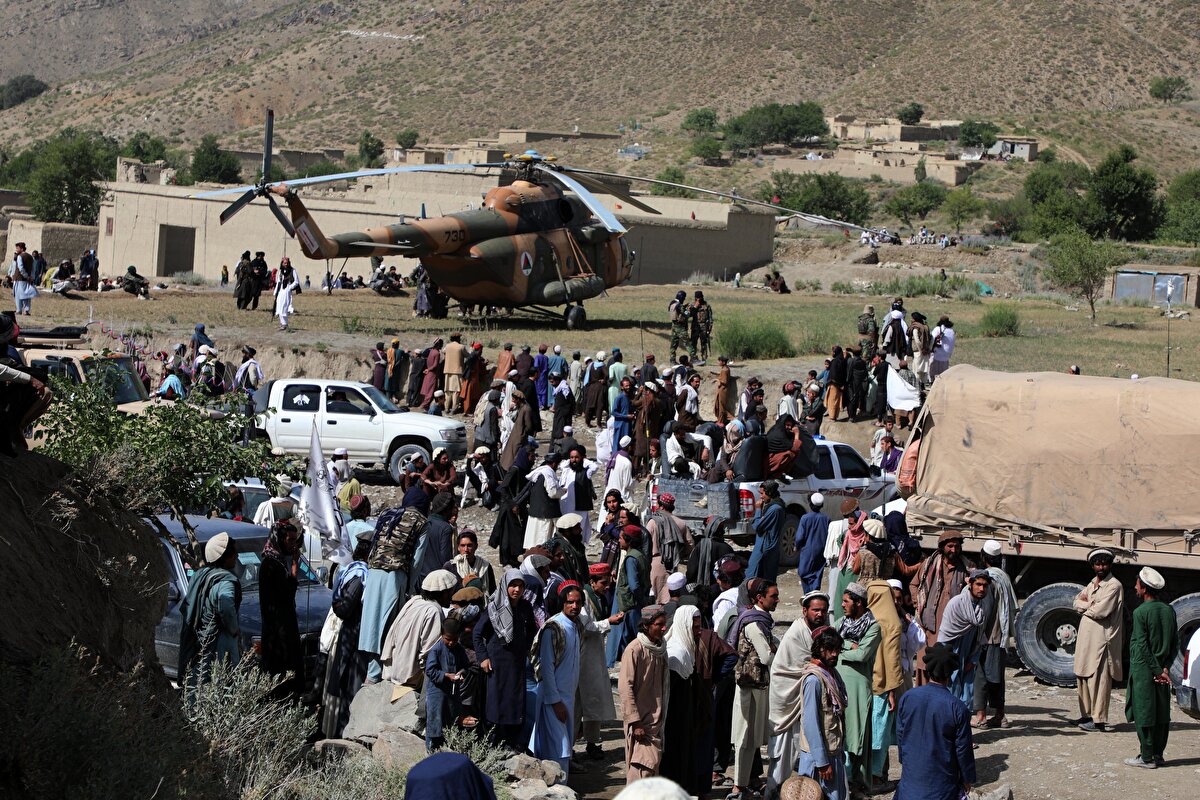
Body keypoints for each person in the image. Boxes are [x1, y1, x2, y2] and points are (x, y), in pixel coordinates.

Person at [766, 591, 830, 798]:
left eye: (823, 610)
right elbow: (800, 667)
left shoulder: (822, 631)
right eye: (816, 610)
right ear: (805, 611)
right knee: (783, 756)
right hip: (788, 701)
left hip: (806, 701)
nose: (820, 614)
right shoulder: (797, 633)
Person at [894, 642, 976, 800]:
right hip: (942, 788)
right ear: (950, 674)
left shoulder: (907, 698)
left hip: (910, 783)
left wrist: (907, 761)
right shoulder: (958, 708)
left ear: (927, 671)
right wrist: (967, 778)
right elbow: (963, 750)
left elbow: (901, 735)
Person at [475, 569, 539, 749]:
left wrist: (526, 648)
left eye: (520, 586)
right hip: (497, 661)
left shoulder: (525, 607)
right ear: (505, 586)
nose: (516, 590)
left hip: (516, 661)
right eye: (513, 585)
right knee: (497, 700)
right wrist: (483, 658)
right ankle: (494, 742)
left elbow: (532, 630)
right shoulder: (494, 607)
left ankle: (513, 742)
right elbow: (478, 633)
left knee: (515, 700)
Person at [321, 524, 373, 738]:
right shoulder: (360, 575)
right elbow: (345, 606)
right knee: (347, 687)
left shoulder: (352, 570)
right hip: (352, 637)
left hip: (350, 636)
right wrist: (336, 604)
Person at [729, 579, 780, 800]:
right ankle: (738, 787)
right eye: (773, 596)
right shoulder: (754, 623)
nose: (777, 600)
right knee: (744, 738)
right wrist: (779, 652)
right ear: (760, 598)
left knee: (750, 739)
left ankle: (743, 783)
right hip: (749, 689)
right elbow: (767, 656)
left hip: (757, 687)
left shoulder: (761, 621)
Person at [1124, 567, 1178, 769]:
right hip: (1161, 672)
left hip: (1145, 671)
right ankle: (1158, 754)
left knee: (1144, 711)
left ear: (1144, 589)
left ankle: (1146, 757)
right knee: (1161, 712)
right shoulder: (1168, 610)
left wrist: (1156, 671)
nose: (1135, 587)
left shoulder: (1140, 612)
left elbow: (1142, 646)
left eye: (1137, 584)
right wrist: (1165, 669)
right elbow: (1175, 644)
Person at [529, 583, 585, 774]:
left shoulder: (575, 626)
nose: (574, 606)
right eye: (570, 602)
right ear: (563, 603)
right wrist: (555, 702)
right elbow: (546, 668)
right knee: (558, 750)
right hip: (554, 701)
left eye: (578, 602)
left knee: (563, 748)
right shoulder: (554, 628)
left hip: (568, 699)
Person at [178, 533, 241, 693]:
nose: (237, 556)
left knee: (198, 685)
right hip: (219, 643)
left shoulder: (200, 575)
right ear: (225, 557)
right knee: (222, 688)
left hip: (199, 639)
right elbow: (225, 605)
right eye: (234, 553)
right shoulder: (225, 582)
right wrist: (234, 629)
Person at [1071, 548, 1125, 733]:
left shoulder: (1113, 585)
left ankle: (1099, 719)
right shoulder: (1093, 583)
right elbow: (1075, 602)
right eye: (1097, 563)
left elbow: (1101, 611)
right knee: (1083, 675)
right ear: (1092, 565)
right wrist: (1088, 604)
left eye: (1104, 563)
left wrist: (1085, 605)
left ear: (1110, 564)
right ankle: (1086, 714)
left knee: (1099, 678)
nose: (1101, 567)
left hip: (1102, 639)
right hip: (1087, 639)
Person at [835, 582, 881, 792]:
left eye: (846, 601)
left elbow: (862, 654)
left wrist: (838, 651)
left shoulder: (873, 626)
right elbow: (830, 642)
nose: (842, 605)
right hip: (838, 685)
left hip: (859, 690)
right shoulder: (841, 623)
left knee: (857, 737)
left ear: (859, 603)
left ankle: (858, 783)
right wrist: (846, 645)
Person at [912, 531, 972, 684]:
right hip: (929, 623)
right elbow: (914, 584)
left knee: (948, 661)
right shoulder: (929, 564)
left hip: (953, 625)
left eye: (957, 546)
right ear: (942, 547)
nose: (954, 550)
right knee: (925, 660)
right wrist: (917, 603)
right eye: (950, 546)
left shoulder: (966, 568)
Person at [620, 606, 670, 783]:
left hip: (657, 720)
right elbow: (625, 689)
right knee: (642, 770)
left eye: (665, 624)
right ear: (647, 625)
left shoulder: (660, 648)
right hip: (641, 723)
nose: (663, 628)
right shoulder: (635, 650)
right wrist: (636, 722)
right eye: (659, 624)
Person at [380, 569, 457, 685]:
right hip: (410, 674)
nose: (452, 596)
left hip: (394, 667)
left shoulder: (415, 600)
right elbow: (429, 651)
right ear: (443, 592)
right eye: (450, 592)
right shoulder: (434, 611)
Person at [579, 564, 623, 760]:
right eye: (603, 583)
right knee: (580, 702)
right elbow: (586, 627)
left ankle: (593, 741)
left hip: (595, 655)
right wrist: (608, 622)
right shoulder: (583, 598)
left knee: (594, 700)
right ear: (592, 582)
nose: (607, 587)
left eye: (608, 582)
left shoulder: (598, 596)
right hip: (583, 657)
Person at [258, 520, 305, 695]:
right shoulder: (270, 565)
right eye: (290, 540)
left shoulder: (277, 562)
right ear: (280, 539)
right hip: (277, 635)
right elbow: (285, 596)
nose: (293, 545)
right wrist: (294, 568)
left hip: (284, 631)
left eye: (295, 540)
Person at [975, 541, 1016, 730]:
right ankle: (1000, 715)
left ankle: (982, 716)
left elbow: (987, 610)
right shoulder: (1003, 576)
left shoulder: (989, 579)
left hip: (989, 635)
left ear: (983, 557)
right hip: (1002, 635)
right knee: (997, 675)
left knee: (982, 676)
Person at [660, 606, 702, 788]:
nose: (699, 631)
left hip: (684, 717)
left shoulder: (686, 648)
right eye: (695, 627)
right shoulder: (676, 654)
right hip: (674, 720)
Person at [937, 570, 991, 708]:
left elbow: (980, 636)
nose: (981, 589)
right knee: (951, 694)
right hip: (952, 654)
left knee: (967, 698)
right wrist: (946, 663)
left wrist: (973, 660)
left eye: (985, 585)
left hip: (969, 655)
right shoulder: (957, 603)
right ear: (970, 584)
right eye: (978, 584)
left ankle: (963, 728)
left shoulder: (983, 606)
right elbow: (945, 636)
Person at [424, 616, 471, 751]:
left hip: (452, 693)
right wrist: (446, 675)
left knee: (450, 721)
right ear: (442, 635)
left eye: (454, 640)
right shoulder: (436, 649)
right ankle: (430, 750)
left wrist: (461, 673)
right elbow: (430, 670)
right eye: (448, 639)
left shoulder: (459, 649)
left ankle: (445, 750)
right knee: (434, 722)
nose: (451, 643)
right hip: (436, 693)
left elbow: (465, 666)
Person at [607, 525, 651, 667]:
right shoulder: (640, 555)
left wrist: (640, 601)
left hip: (629, 604)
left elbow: (634, 585)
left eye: (621, 538)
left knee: (625, 637)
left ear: (629, 540)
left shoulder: (631, 558)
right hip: (635, 603)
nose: (619, 541)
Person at [523, 451, 564, 549]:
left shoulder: (539, 472)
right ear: (554, 463)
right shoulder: (548, 473)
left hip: (536, 511)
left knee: (534, 538)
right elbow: (553, 493)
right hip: (545, 513)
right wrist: (562, 491)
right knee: (543, 540)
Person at [747, 480, 785, 583]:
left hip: (766, 548)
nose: (761, 497)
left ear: (770, 493)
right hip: (766, 546)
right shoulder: (773, 506)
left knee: (754, 578)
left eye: (762, 493)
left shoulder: (775, 509)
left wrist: (758, 510)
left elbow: (757, 526)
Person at [558, 446, 598, 543]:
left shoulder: (586, 472)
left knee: (579, 531)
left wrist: (585, 460)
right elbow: (562, 465)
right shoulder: (567, 470)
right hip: (566, 505)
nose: (574, 460)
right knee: (565, 529)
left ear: (582, 458)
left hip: (580, 507)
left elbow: (595, 467)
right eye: (572, 457)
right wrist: (570, 460)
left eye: (577, 457)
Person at [444, 529, 497, 597]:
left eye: (469, 545)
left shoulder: (485, 566)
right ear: (458, 547)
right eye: (463, 545)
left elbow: (492, 591)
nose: (466, 550)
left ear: (476, 546)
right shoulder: (450, 567)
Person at [793, 494, 828, 593]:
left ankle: (808, 595)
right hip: (821, 551)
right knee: (817, 573)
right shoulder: (826, 519)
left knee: (804, 573)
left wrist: (797, 547)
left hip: (807, 551)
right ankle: (815, 593)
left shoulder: (805, 518)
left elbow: (800, 537)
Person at [500, 390, 535, 469]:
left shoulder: (526, 409)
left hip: (520, 437)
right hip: (515, 434)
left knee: (515, 455)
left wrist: (522, 434)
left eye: (514, 399)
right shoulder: (520, 408)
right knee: (510, 454)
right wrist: (511, 410)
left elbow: (528, 426)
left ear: (518, 399)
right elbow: (513, 419)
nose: (513, 400)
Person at [10, 242, 37, 315]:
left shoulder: (20, 256)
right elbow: (33, 269)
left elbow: (21, 268)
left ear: (21, 249)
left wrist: (27, 277)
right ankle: (26, 310)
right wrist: (31, 277)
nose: (16, 249)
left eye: (17, 248)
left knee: (18, 295)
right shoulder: (31, 257)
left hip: (20, 279)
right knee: (27, 295)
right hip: (27, 279)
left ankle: (19, 310)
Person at [443, 333, 467, 414]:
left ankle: (446, 408)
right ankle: (454, 408)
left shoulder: (447, 346)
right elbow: (468, 355)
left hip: (447, 371)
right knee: (456, 391)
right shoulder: (461, 347)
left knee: (448, 390)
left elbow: (443, 352)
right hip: (457, 372)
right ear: (457, 339)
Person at [605, 435, 635, 499]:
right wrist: (637, 481)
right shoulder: (627, 462)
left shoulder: (615, 456)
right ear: (629, 447)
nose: (634, 449)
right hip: (620, 497)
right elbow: (628, 485)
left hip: (609, 494)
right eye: (633, 446)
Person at [550, 371, 575, 443]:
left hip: (563, 417)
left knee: (560, 434)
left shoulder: (564, 390)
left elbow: (569, 403)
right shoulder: (559, 388)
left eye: (552, 382)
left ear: (558, 380)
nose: (551, 384)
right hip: (560, 415)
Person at [689, 291, 713, 364]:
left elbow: (710, 318)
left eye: (700, 297)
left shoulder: (707, 305)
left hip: (704, 327)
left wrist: (710, 328)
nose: (699, 299)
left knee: (704, 343)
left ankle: (704, 359)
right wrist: (695, 306)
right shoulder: (692, 305)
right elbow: (689, 315)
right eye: (697, 298)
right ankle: (693, 358)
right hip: (695, 326)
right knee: (693, 343)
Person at [274, 258, 298, 330]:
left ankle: (285, 324)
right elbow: (278, 282)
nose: (286, 264)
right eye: (284, 263)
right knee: (279, 306)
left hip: (287, 289)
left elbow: (296, 281)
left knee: (284, 307)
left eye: (287, 263)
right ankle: (282, 324)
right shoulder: (281, 271)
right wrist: (276, 292)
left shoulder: (292, 270)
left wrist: (290, 287)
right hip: (281, 290)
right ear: (282, 263)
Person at [929, 316, 955, 382]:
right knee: (943, 372)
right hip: (947, 354)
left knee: (933, 370)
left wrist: (930, 348)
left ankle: (933, 382)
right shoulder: (951, 331)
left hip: (937, 352)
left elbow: (932, 339)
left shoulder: (938, 329)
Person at [668, 291, 689, 361]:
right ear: (681, 297)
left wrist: (684, 306)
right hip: (679, 326)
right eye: (684, 298)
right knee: (688, 342)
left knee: (673, 344)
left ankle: (672, 359)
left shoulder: (672, 303)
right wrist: (688, 309)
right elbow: (687, 314)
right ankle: (694, 358)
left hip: (674, 325)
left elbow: (675, 311)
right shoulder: (679, 305)